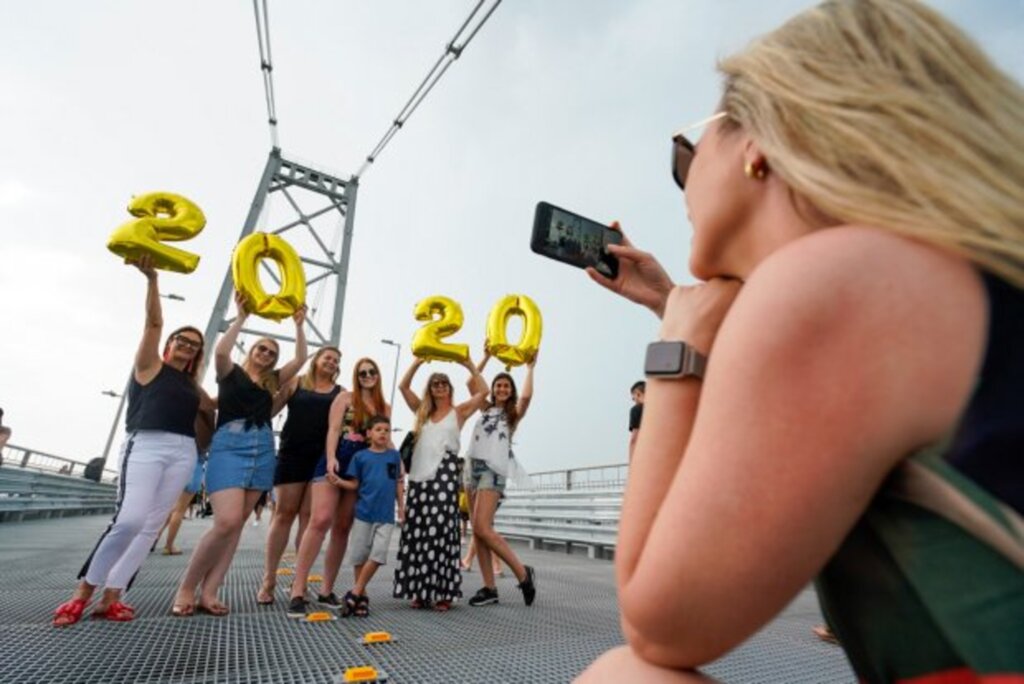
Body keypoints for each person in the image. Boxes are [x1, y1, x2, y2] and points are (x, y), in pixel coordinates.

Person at [579, 1, 1024, 681]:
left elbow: (657, 621)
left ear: (758, 138)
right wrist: (676, 308)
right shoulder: (937, 276)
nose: (683, 182)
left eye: (686, 153)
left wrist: (674, 356)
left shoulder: (834, 284)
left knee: (628, 677)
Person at [52, 255, 215, 626]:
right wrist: (152, 280)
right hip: (146, 445)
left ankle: (113, 596)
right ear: (170, 344)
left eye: (194, 344)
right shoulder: (149, 366)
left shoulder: (192, 385)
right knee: (129, 520)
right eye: (183, 340)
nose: (188, 346)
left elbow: (220, 406)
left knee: (150, 527)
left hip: (183, 450)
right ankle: (83, 592)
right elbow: (154, 321)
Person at [172, 292, 307, 617]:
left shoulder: (273, 381)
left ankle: (211, 591)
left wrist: (299, 325)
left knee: (237, 525)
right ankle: (187, 587)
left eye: (273, 352)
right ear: (251, 350)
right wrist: (241, 317)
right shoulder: (230, 372)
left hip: (262, 448)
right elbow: (220, 349)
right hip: (229, 446)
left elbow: (301, 359)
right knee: (226, 521)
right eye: (262, 348)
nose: (267, 354)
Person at [287, 357, 390, 617]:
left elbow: (383, 440)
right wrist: (331, 457)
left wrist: (397, 465)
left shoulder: (383, 406)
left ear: (378, 375)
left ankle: (326, 589)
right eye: (363, 372)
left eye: (372, 371)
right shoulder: (345, 398)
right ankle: (297, 589)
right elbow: (333, 430)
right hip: (336, 459)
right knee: (320, 519)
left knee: (343, 526)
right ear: (356, 375)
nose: (367, 375)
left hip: (361, 466)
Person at [392, 356, 488, 612]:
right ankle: (420, 592)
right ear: (430, 388)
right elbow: (403, 387)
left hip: (444, 473)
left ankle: (443, 591)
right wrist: (417, 362)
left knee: (441, 530)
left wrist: (469, 364)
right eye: (435, 383)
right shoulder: (422, 412)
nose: (439, 386)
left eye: (444, 383)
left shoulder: (459, 412)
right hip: (420, 477)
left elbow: (484, 391)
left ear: (450, 388)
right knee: (418, 530)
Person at [257, 346, 342, 605]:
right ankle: (269, 578)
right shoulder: (295, 383)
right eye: (327, 357)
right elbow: (269, 411)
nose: (332, 361)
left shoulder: (340, 393)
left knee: (308, 519)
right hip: (292, 453)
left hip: (320, 459)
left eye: (336, 360)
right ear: (316, 360)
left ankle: (299, 581)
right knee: (283, 514)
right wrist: (264, 388)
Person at [464, 352, 537, 607]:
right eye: (498, 385)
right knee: (478, 531)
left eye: (506, 386)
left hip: (493, 470)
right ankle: (488, 588)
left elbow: (526, 397)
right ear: (493, 390)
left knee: (483, 527)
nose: (502, 388)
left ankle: (523, 574)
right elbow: (472, 384)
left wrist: (530, 367)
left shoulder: (511, 415)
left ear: (510, 390)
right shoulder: (485, 408)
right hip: (472, 467)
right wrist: (481, 359)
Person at [330, 415, 405, 617]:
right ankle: (362, 598)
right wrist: (338, 482)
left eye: (386, 430)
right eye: (378, 429)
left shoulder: (394, 456)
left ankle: (354, 593)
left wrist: (401, 506)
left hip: (386, 516)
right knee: (360, 556)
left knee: (378, 555)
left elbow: (398, 481)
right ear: (369, 433)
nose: (383, 433)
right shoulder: (360, 457)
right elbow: (354, 484)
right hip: (363, 514)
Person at [157, 458, 205, 555]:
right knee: (179, 510)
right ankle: (169, 546)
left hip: (179, 467)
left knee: (173, 508)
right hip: (194, 469)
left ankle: (155, 536)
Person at [628, 381, 645, 461]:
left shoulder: (636, 410)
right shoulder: (660, 408)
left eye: (633, 398)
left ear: (638, 394)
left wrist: (632, 463)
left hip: (645, 456)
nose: (634, 401)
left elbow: (634, 440)